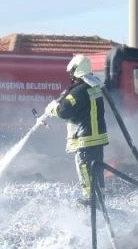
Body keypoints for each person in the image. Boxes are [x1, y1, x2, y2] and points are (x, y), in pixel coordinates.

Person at [45, 54, 109, 204]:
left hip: (85, 139)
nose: (71, 76)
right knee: (97, 169)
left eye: (71, 72)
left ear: (76, 70)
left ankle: (91, 199)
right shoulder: (94, 86)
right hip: (97, 138)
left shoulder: (78, 91)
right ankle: (100, 198)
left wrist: (52, 109)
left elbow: (63, 111)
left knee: (85, 167)